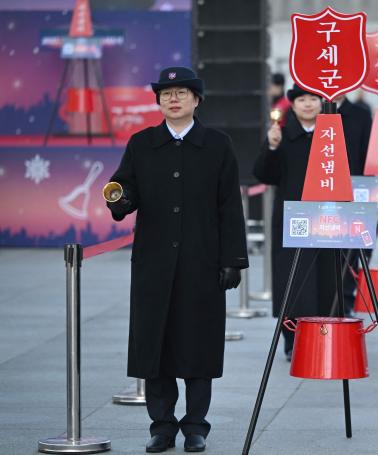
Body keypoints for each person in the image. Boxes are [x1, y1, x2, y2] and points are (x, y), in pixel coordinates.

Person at [106, 66, 249, 453]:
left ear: (196, 100)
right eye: (166, 93)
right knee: (157, 346)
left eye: (182, 93)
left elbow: (229, 206)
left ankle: (196, 425)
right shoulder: (142, 144)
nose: (173, 98)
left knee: (198, 346)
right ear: (158, 101)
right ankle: (162, 426)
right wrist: (119, 200)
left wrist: (233, 259)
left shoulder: (217, 145)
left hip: (201, 263)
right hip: (153, 265)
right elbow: (124, 190)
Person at [253, 84, 337, 361]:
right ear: (293, 104)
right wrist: (272, 147)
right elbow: (264, 174)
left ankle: (325, 335)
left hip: (326, 216)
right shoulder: (283, 135)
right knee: (293, 278)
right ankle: (292, 339)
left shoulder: (331, 134)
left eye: (313, 98)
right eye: (302, 99)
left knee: (325, 276)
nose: (308, 104)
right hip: (293, 218)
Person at [334, 94, 373, 314]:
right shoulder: (315, 113)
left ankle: (346, 302)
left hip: (353, 193)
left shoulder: (360, 115)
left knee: (349, 253)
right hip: (321, 193)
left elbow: (366, 156)